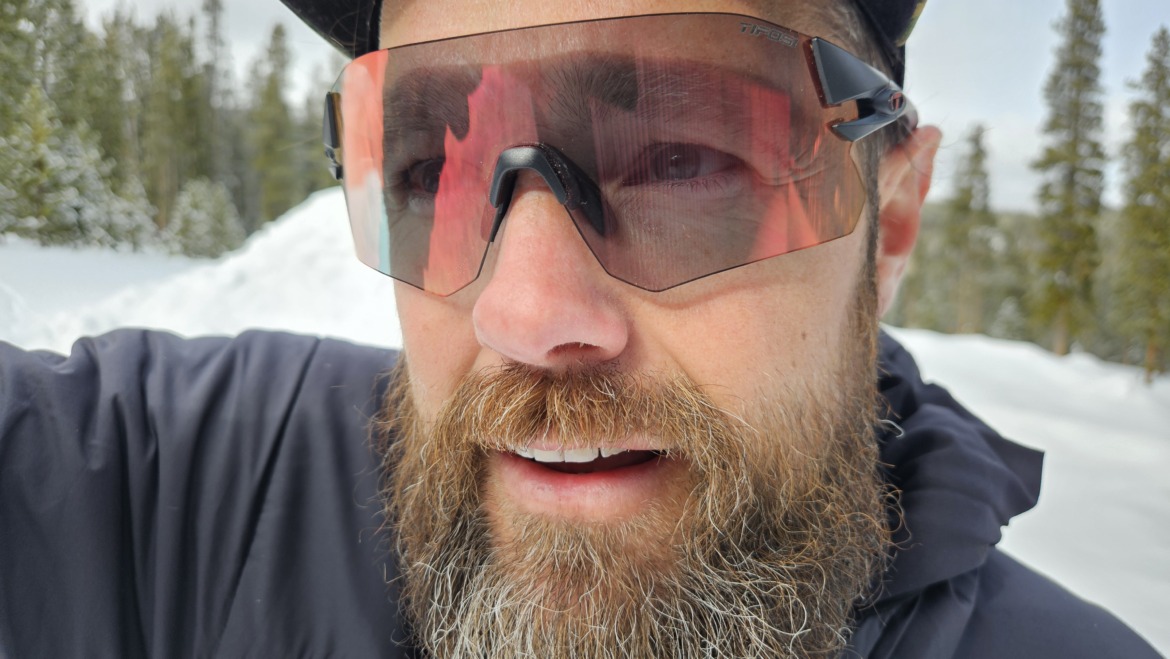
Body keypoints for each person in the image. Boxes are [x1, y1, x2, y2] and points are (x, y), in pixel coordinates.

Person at [0, 0, 1161, 657]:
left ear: (890, 220)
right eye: (427, 166)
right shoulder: (193, 499)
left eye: (682, 160)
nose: (524, 313)